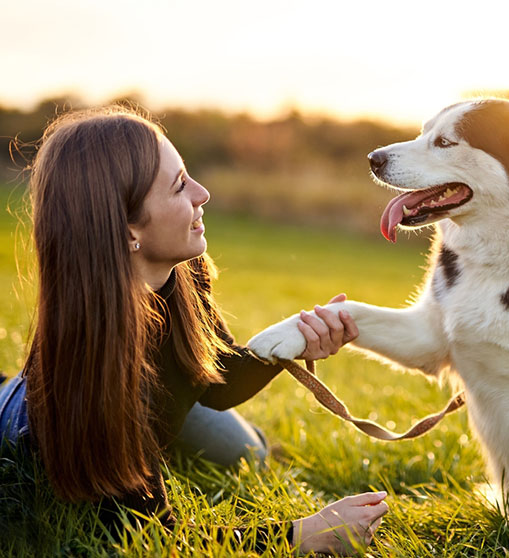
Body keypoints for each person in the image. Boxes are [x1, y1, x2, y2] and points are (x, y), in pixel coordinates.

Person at [0, 106, 389, 555]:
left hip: (154, 408)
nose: (203, 194)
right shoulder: (90, 387)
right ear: (129, 230)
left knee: (251, 456)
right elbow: (149, 540)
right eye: (179, 186)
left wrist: (294, 339)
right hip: (25, 417)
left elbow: (215, 380)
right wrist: (302, 536)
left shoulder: (182, 270)